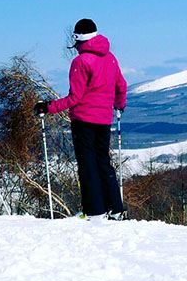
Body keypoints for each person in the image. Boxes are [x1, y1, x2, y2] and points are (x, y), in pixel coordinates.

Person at [35, 18, 128, 220]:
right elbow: (121, 85)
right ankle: (116, 208)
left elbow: (75, 98)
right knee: (103, 162)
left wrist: (49, 107)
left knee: (87, 166)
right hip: (104, 120)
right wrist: (119, 104)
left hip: (84, 120)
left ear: (78, 39)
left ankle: (95, 211)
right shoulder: (110, 58)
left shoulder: (80, 62)